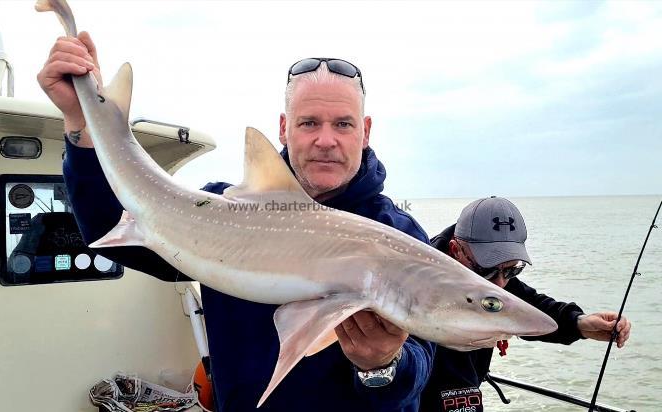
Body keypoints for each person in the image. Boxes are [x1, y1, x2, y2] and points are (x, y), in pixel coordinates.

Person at [37, 32, 435, 412]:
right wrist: (81, 123)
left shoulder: (399, 235)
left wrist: (382, 366)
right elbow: (114, 229)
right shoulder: (223, 211)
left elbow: (420, 367)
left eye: (343, 124)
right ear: (284, 128)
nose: (326, 140)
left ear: (364, 132)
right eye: (309, 123)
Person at [420, 196, 632, 412]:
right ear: (455, 250)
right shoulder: (418, 283)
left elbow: (528, 306)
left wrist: (579, 323)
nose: (500, 283)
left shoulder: (494, 280)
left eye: (512, 270)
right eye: (488, 269)